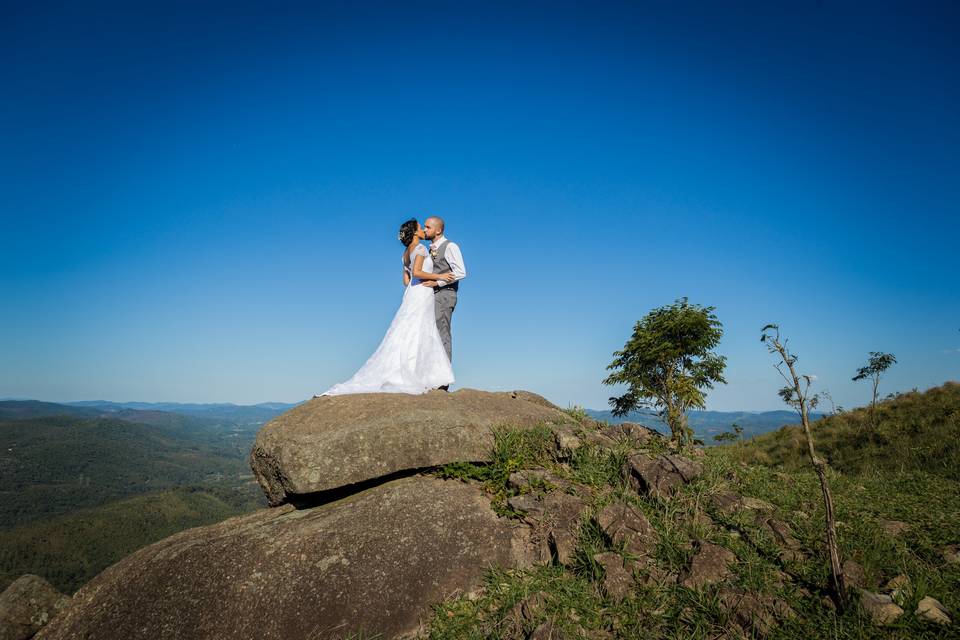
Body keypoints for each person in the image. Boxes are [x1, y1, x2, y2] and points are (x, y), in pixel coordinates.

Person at [316, 218, 458, 396]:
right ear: (414, 232)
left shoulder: (405, 254)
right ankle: (420, 375)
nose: (423, 230)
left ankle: (413, 372)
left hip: (411, 293)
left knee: (407, 331)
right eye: (421, 228)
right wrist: (441, 277)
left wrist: (420, 278)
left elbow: (406, 280)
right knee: (421, 331)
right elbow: (417, 273)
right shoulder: (421, 248)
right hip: (422, 292)